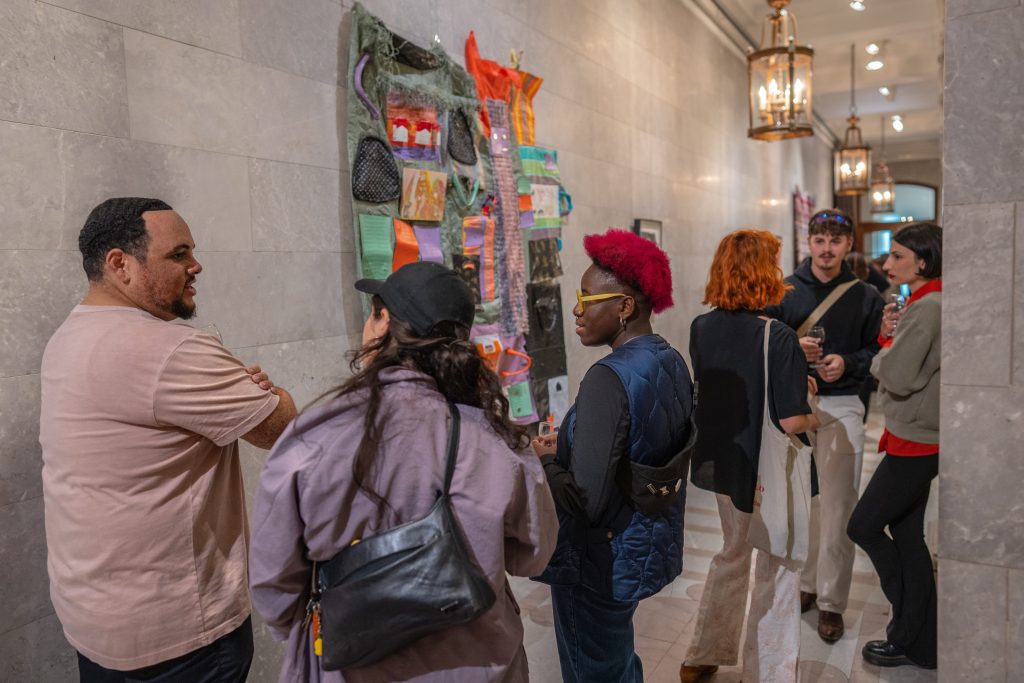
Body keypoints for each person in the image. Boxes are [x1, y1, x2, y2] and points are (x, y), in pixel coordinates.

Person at [249, 261, 557, 682]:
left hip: (352, 667)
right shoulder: (499, 441)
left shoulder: (314, 437)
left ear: (384, 324)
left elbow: (273, 587)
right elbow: (533, 556)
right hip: (482, 665)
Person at [40, 197, 298, 682]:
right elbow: (281, 427)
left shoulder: (66, 338)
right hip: (179, 637)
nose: (196, 265)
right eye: (178, 254)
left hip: (95, 623)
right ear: (121, 264)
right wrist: (273, 392)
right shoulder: (173, 350)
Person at [532, 229, 694, 683]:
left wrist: (545, 459)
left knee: (595, 667)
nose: (576, 310)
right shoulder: (669, 359)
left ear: (624, 307)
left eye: (586, 298)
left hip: (598, 559)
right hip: (639, 543)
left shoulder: (607, 377)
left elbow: (587, 499)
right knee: (615, 656)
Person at [681, 230, 819, 683]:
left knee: (732, 553)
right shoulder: (777, 336)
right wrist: (817, 411)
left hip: (722, 465)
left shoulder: (701, 327)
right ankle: (768, 672)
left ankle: (704, 653)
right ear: (766, 273)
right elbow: (793, 421)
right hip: (767, 470)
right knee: (777, 568)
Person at [764, 209, 884, 642]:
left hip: (844, 403)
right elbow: (760, 335)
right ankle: (807, 585)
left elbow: (877, 350)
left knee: (838, 507)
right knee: (802, 507)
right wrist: (793, 345)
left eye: (836, 240)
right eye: (820, 240)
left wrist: (846, 362)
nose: (827, 248)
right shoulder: (785, 291)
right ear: (809, 243)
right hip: (793, 404)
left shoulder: (867, 296)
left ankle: (832, 601)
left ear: (848, 245)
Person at [847, 222, 942, 670]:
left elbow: (896, 374)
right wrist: (891, 339)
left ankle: (908, 625)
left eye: (898, 256)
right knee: (907, 536)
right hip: (917, 434)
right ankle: (920, 641)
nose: (887, 265)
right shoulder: (926, 302)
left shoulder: (928, 307)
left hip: (916, 440)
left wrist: (883, 352)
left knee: (862, 526)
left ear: (923, 261)